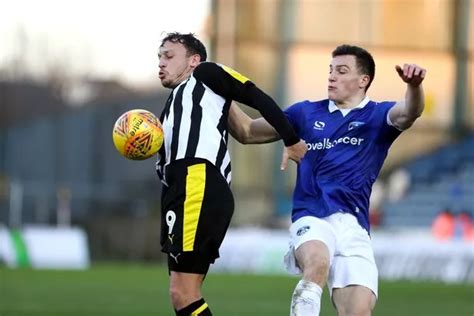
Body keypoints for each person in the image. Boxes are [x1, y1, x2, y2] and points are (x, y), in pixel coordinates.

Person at [228, 44, 426, 316]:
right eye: (330, 70)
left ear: (363, 80)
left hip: (355, 226)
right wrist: (218, 90)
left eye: (341, 71)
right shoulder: (305, 113)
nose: (331, 76)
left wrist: (414, 87)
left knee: (358, 311)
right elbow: (248, 130)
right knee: (317, 263)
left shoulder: (378, 116)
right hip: (312, 215)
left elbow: (410, 112)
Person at [155, 32, 307, 316]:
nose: (161, 63)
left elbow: (255, 95)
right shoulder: (180, 103)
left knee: (182, 292)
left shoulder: (205, 74)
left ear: (193, 60)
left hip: (197, 181)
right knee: (183, 293)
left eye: (169, 56)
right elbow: (247, 131)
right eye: (159, 57)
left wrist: (292, 137)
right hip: (179, 189)